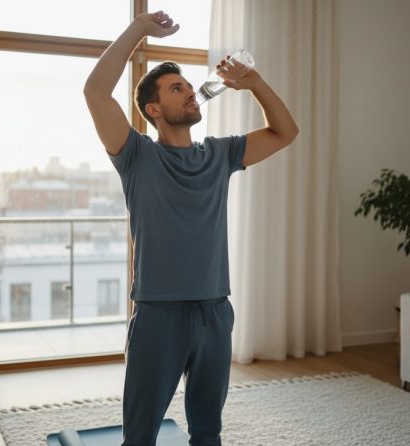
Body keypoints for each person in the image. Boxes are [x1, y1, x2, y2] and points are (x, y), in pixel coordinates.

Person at [83, 10, 298, 446]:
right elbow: (95, 91)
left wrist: (253, 83)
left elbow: (285, 132)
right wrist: (139, 30)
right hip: (158, 314)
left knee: (208, 432)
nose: (190, 94)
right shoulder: (136, 156)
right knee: (139, 437)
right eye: (176, 89)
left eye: (188, 87)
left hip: (215, 311)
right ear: (154, 109)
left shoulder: (219, 154)